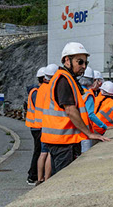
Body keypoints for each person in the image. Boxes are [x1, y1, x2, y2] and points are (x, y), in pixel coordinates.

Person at [40, 42, 107, 175]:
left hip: (59, 140)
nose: (83, 66)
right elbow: (70, 110)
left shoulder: (65, 79)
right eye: (80, 62)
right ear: (67, 60)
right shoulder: (64, 80)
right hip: (63, 141)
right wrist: (89, 134)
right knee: (63, 180)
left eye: (85, 63)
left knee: (58, 178)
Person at [24, 65, 52, 186]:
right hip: (39, 126)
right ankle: (33, 176)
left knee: (39, 152)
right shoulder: (38, 92)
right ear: (44, 78)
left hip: (35, 125)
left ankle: (34, 175)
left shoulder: (35, 91)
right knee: (40, 152)